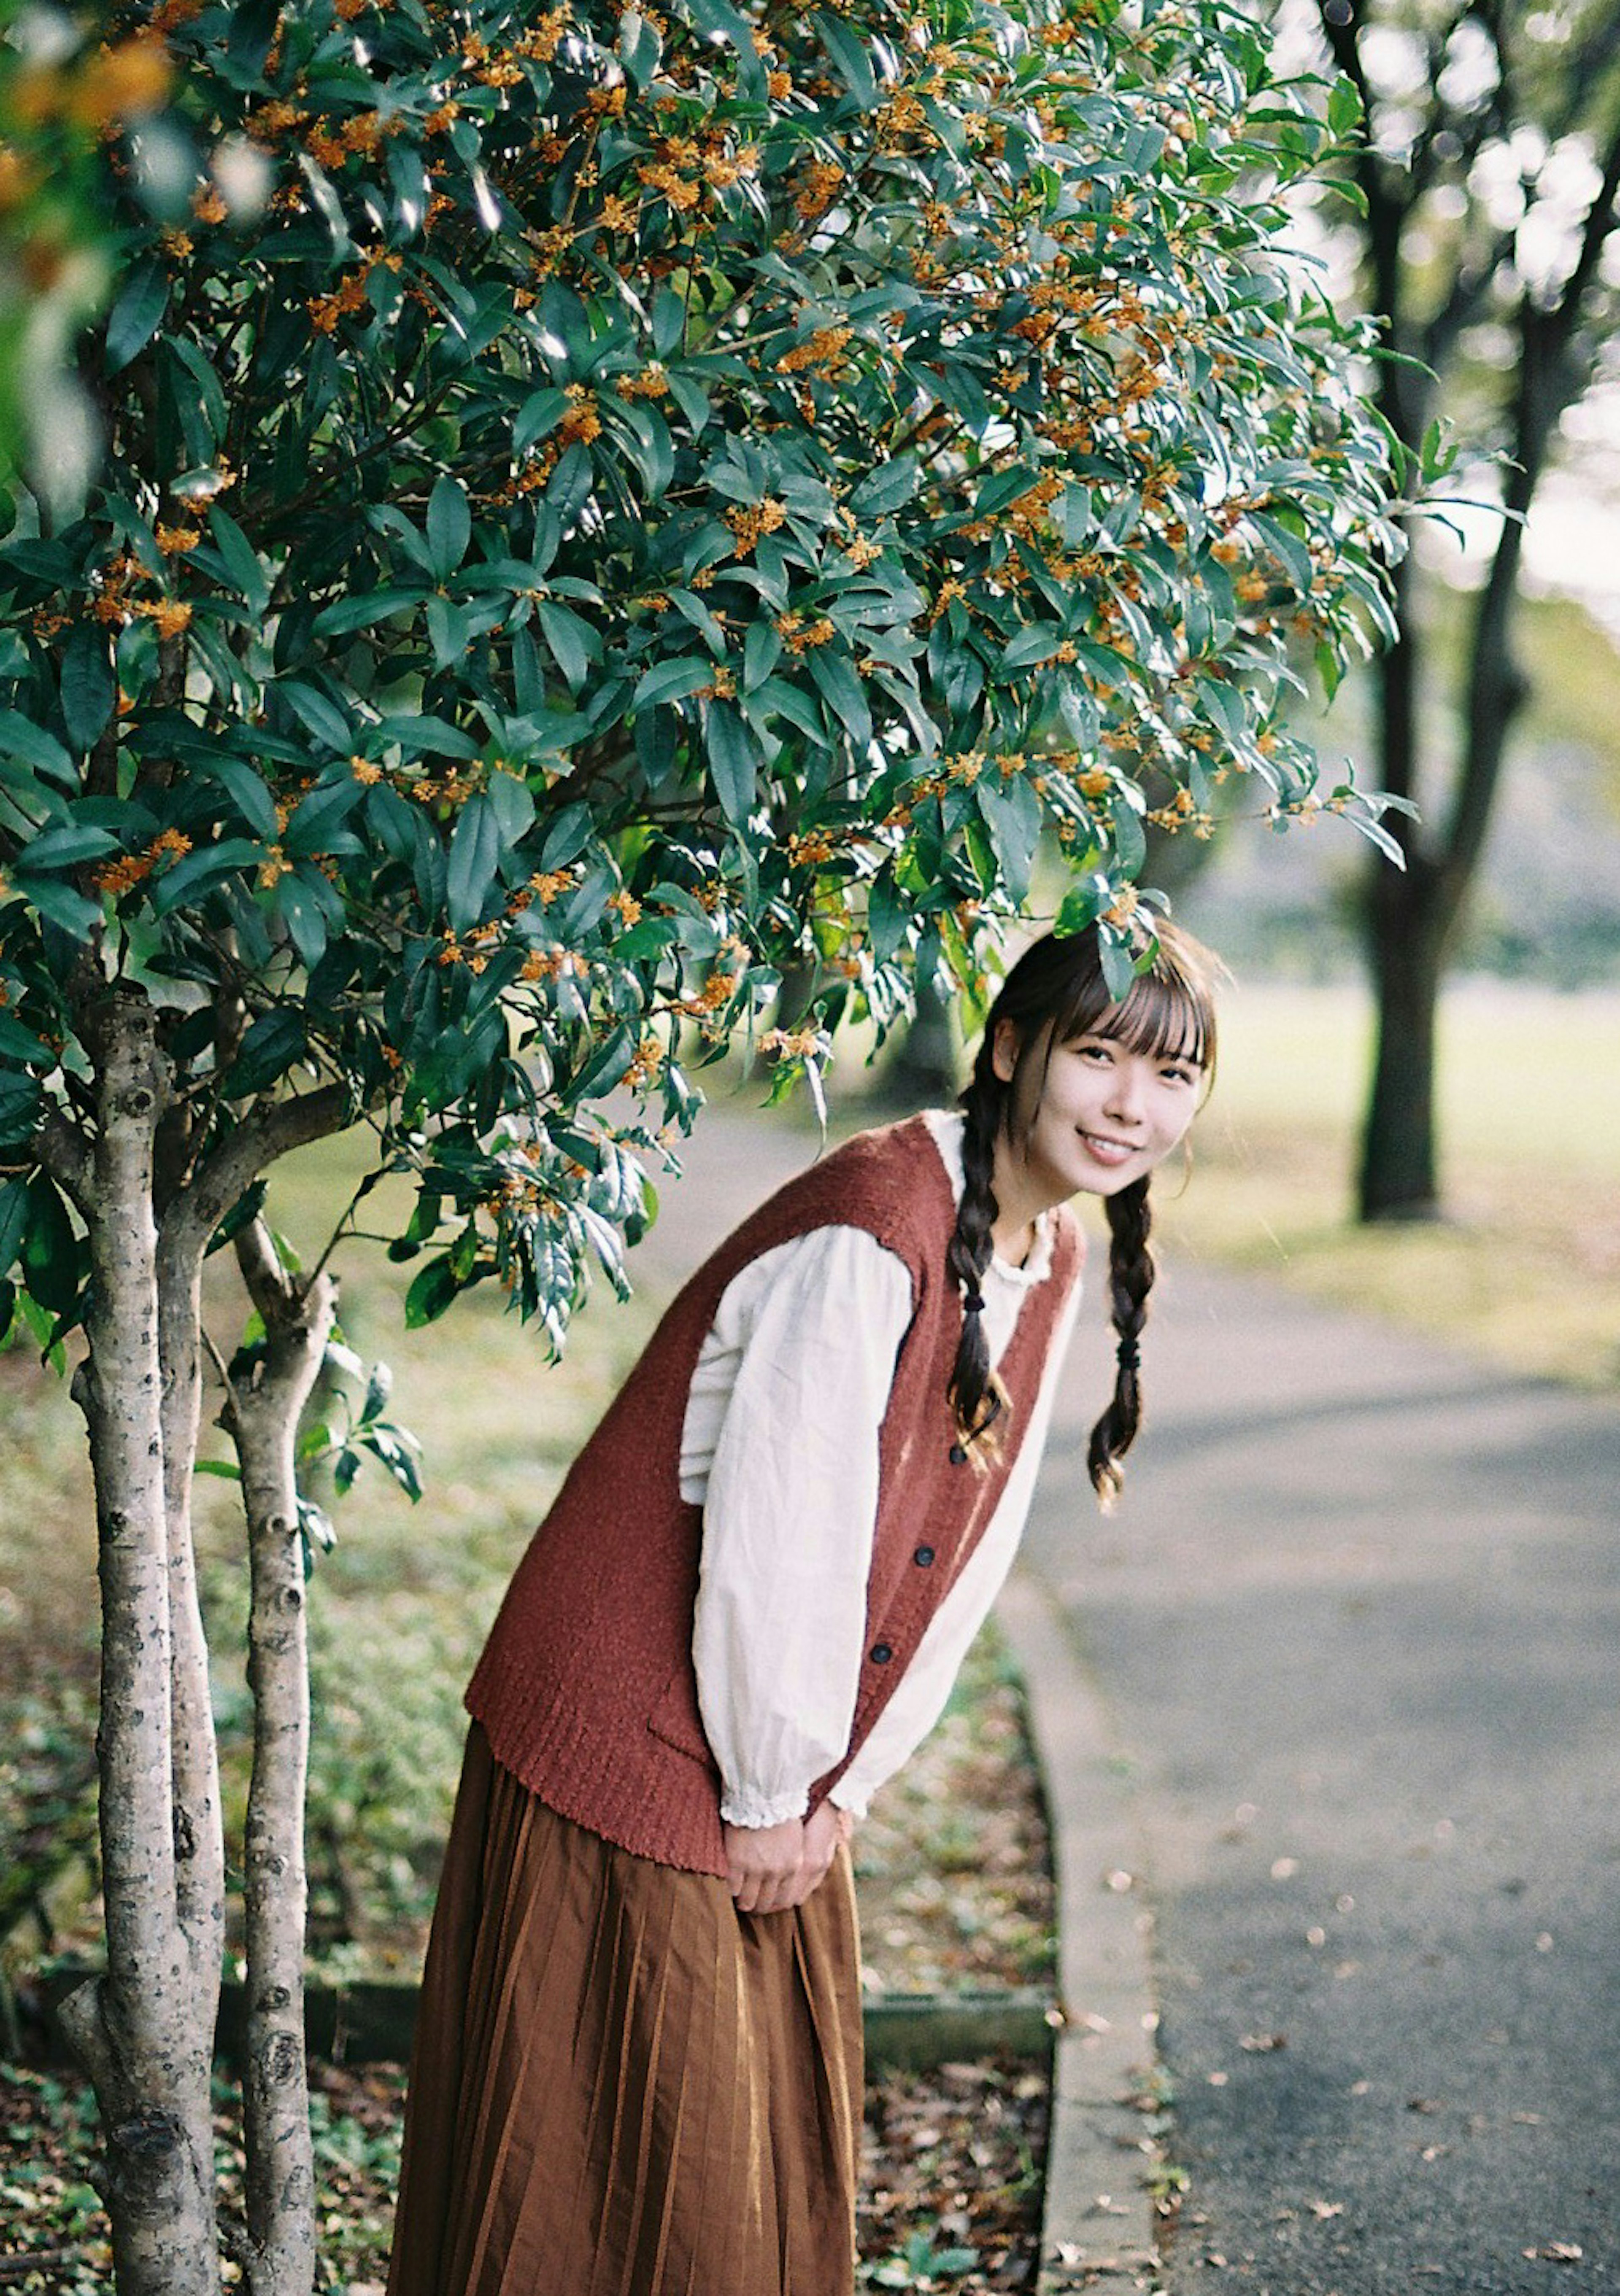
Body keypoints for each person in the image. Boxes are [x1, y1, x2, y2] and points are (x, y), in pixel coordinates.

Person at [385, 917, 1218, 2296]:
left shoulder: (1048, 1250)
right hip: (629, 1737)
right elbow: (782, 1534)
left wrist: (844, 1787)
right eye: (1101, 1057)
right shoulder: (870, 1232)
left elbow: (967, 1549)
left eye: (1174, 1076)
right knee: (615, 2185)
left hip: (762, 1753)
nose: (1137, 1104)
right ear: (1011, 1049)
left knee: (749, 2163)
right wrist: (776, 1794)